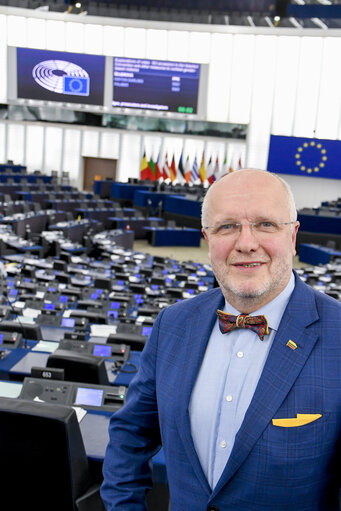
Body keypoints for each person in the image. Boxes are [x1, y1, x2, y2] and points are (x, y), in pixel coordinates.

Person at [101, 169, 341, 511]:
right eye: (227, 226)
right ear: (207, 237)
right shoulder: (173, 323)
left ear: (293, 235)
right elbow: (130, 435)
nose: (245, 243)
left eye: (265, 224)